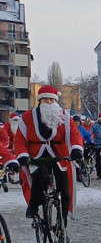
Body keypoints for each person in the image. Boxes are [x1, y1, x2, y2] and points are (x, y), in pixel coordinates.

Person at [11, 85, 84, 223]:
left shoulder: (64, 117)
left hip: (59, 157)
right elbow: (20, 139)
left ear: (56, 101)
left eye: (51, 100)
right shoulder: (28, 117)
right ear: (40, 101)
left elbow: (75, 134)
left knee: (65, 192)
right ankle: (34, 205)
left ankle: (62, 224)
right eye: (45, 100)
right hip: (37, 157)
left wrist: (76, 149)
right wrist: (22, 155)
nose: (49, 102)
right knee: (40, 177)